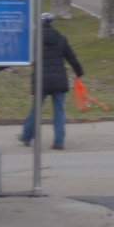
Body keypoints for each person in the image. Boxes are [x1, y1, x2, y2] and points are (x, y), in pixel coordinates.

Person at [20, 13, 83, 150]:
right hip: (59, 80)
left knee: (36, 110)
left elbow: (22, 57)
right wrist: (79, 73)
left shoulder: (33, 39)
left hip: (40, 81)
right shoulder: (60, 38)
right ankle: (59, 142)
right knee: (59, 111)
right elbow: (72, 58)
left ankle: (26, 137)